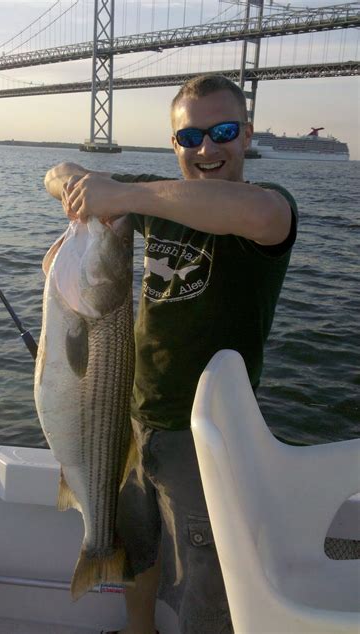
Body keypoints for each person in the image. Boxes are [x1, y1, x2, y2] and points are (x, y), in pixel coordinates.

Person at [44, 74, 297, 634]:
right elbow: (54, 174)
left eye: (223, 132)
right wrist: (79, 186)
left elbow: (259, 215)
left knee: (207, 581)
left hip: (206, 439)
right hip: (131, 421)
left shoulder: (268, 209)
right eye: (190, 138)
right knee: (139, 553)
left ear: (247, 135)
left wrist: (125, 195)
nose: (207, 149)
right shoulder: (157, 199)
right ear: (173, 143)